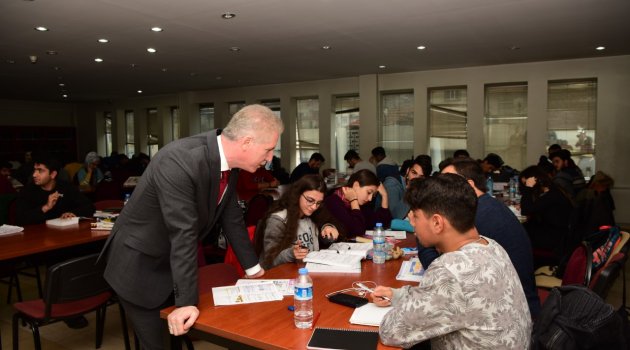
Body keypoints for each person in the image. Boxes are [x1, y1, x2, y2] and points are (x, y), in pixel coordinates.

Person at [100, 104, 283, 349]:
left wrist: (254, 269)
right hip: (139, 265)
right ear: (247, 142)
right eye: (269, 150)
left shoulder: (229, 164)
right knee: (157, 345)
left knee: (173, 340)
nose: (270, 158)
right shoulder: (180, 160)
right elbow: (183, 233)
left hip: (172, 264)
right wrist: (186, 302)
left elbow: (232, 220)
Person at [370, 174, 531, 349]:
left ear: (437, 223)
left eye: (415, 216)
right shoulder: (490, 246)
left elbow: (391, 331)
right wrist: (397, 296)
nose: (411, 222)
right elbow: (443, 297)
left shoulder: (450, 270)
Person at [441, 157, 541, 317]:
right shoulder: (487, 206)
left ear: (469, 186)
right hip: (512, 302)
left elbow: (446, 272)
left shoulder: (479, 216)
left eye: (447, 183)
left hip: (513, 313)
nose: (441, 190)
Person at [255, 174, 340, 269]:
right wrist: (291, 253)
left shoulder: (314, 213)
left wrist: (327, 226)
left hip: (307, 271)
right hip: (281, 275)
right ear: (298, 194)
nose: (314, 207)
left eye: (318, 203)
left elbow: (327, 223)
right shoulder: (278, 220)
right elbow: (269, 261)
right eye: (310, 200)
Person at [15, 154, 95, 225]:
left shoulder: (66, 187)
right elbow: (20, 219)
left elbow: (89, 207)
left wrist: (73, 213)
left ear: (53, 174)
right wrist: (45, 207)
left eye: (40, 171)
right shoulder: (27, 191)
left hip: (65, 234)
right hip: (38, 237)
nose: (34, 175)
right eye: (35, 170)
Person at [519, 165, 574, 265]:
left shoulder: (552, 195)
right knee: (522, 229)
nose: (525, 186)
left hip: (554, 239)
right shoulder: (552, 190)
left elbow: (526, 210)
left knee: (519, 236)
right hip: (556, 233)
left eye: (526, 183)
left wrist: (528, 189)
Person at [324, 169, 392, 238]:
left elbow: (381, 223)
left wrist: (384, 196)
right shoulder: (333, 202)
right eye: (368, 192)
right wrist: (354, 201)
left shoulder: (362, 204)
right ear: (356, 185)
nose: (370, 199)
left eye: (373, 195)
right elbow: (357, 231)